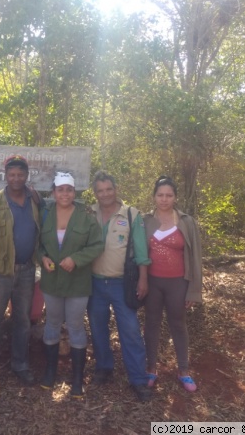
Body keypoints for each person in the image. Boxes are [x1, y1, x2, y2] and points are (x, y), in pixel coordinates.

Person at [0, 154, 41, 396]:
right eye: (12, 174)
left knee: (23, 321)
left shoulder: (35, 200)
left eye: (20, 174)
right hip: (0, 274)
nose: (16, 178)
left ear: (26, 176)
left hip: (26, 272)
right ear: (6, 176)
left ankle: (20, 365)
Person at [87, 171, 153, 402]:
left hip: (121, 283)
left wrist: (143, 278)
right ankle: (104, 368)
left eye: (109, 189)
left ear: (116, 189)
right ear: (95, 193)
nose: (105, 194)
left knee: (131, 331)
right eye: (100, 190)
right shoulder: (88, 212)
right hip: (94, 282)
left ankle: (138, 379)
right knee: (98, 329)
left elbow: (141, 250)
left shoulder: (131, 214)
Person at [39, 172, 104, 397]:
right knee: (52, 324)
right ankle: (50, 372)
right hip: (52, 281)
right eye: (60, 189)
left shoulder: (85, 216)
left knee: (76, 326)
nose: (64, 193)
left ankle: (77, 379)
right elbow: (37, 244)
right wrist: (42, 258)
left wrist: (76, 259)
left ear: (74, 192)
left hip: (77, 281)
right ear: (54, 192)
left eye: (68, 189)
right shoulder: (45, 213)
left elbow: (97, 245)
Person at [142, 176, 202, 392]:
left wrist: (194, 291)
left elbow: (195, 257)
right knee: (152, 323)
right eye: (160, 195)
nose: (164, 199)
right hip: (152, 282)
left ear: (175, 197)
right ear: (154, 197)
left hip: (178, 282)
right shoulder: (145, 220)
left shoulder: (186, 222)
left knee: (178, 324)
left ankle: (184, 371)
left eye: (169, 195)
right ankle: (150, 368)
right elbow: (138, 254)